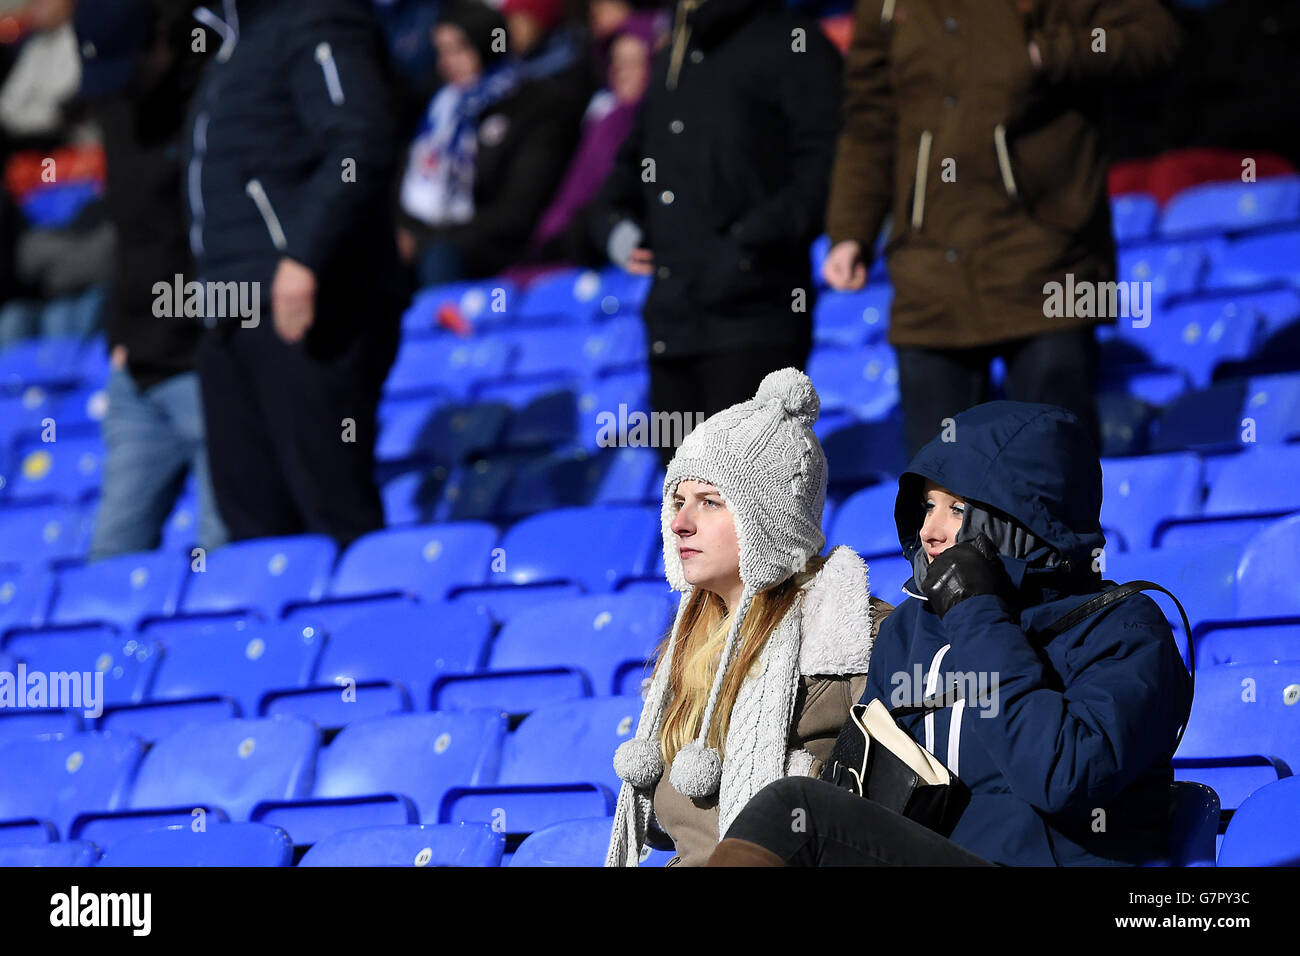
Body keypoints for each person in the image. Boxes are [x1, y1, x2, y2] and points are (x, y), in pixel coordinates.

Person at [706, 401, 1194, 866]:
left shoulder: (1125, 628)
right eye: (927, 506)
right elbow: (869, 791)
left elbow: (1063, 775)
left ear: (1021, 519)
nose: (929, 531)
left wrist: (977, 612)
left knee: (795, 814)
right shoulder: (908, 629)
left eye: (957, 509)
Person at [821, 1, 1181, 459]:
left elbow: (1154, 35)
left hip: (1047, 257)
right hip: (928, 272)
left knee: (1051, 480)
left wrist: (1043, 54)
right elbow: (870, 119)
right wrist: (851, 230)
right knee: (942, 493)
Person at [606, 368, 893, 867]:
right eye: (677, 501)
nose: (679, 523)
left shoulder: (855, 635)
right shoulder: (687, 642)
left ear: (771, 521)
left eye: (710, 502)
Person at [184, 0, 407, 547]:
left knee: (332, 513)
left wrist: (303, 259)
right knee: (254, 530)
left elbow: (360, 139)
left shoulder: (318, 18)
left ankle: (362, 628)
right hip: (230, 314)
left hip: (305, 307)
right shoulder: (233, 39)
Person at [589, 0, 843, 468]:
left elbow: (826, 168)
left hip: (757, 315)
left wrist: (748, 245)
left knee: (752, 508)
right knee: (686, 505)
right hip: (673, 323)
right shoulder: (675, 54)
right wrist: (615, 227)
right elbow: (631, 168)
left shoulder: (793, 44)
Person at [75, 0, 227, 560]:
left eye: (130, 67)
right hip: (137, 369)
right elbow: (130, 232)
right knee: (108, 561)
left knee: (221, 553)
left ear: (160, 39)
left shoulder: (216, 86)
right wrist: (120, 334)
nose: (121, 86)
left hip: (209, 366)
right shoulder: (115, 102)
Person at [396, 0, 585, 286]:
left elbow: (518, 213)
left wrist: (424, 242)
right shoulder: (439, 109)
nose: (447, 62)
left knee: (440, 257)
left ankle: (442, 331)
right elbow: (403, 184)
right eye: (441, 51)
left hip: (500, 250)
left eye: (459, 48)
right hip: (435, 240)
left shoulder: (536, 106)